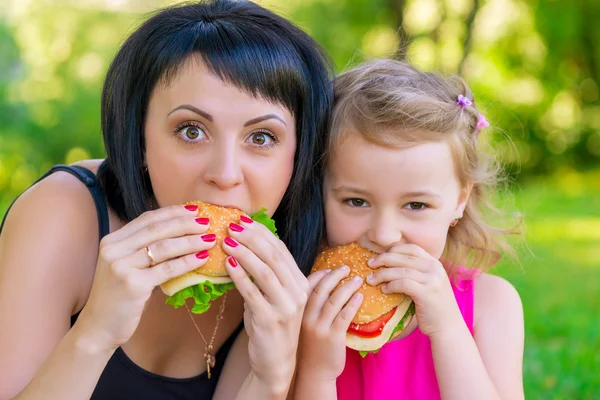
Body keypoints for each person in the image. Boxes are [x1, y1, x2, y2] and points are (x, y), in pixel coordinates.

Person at [0, 1, 333, 398]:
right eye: (191, 131)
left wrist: (270, 379)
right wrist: (95, 333)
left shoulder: (295, 267)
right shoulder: (62, 214)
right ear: (139, 138)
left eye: (261, 138)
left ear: (297, 156)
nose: (225, 174)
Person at [295, 59, 524, 399]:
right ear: (320, 192)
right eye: (356, 201)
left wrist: (447, 329)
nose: (384, 235)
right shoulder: (303, 298)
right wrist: (317, 371)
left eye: (416, 205)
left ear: (459, 201)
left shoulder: (492, 303)